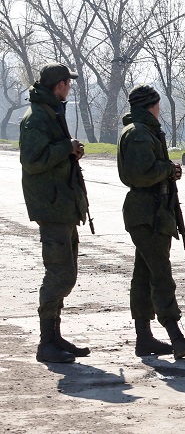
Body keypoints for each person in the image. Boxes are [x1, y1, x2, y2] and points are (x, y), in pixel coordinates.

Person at [117, 84, 185, 360]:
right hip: (147, 213)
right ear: (152, 105)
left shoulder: (141, 130)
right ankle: (176, 336)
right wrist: (168, 169)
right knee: (161, 276)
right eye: (158, 104)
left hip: (150, 212)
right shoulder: (140, 133)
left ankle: (145, 339)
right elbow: (140, 175)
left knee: (143, 276)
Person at [20, 62, 90, 364]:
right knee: (59, 274)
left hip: (62, 205)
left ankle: (55, 336)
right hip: (52, 207)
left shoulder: (50, 112)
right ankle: (46, 342)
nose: (70, 87)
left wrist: (70, 149)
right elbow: (33, 161)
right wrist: (66, 147)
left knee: (66, 273)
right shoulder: (37, 118)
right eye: (68, 83)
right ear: (59, 85)